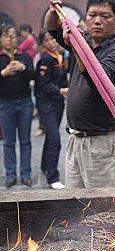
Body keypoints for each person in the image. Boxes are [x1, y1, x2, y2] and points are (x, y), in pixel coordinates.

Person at [45, 0, 115, 189]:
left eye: (105, 16)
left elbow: (98, 79)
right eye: (92, 15)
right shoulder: (84, 42)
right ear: (85, 18)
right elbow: (52, 29)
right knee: (74, 204)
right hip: (76, 139)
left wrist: (77, 46)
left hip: (101, 142)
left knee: (101, 209)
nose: (98, 21)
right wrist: (53, 12)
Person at [0, 23, 34, 188]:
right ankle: (11, 174)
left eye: (12, 36)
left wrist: (23, 68)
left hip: (25, 102)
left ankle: (26, 173)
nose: (9, 39)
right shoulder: (0, 58)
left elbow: (33, 76)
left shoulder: (24, 57)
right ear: (1, 39)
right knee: (8, 142)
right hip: (6, 103)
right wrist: (3, 73)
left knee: (25, 140)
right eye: (6, 36)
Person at [35, 29, 68, 189]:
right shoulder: (45, 60)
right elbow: (41, 84)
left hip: (58, 102)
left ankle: (44, 165)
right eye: (46, 40)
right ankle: (53, 177)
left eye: (52, 39)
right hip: (46, 102)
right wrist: (61, 91)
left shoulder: (60, 56)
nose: (51, 42)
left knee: (51, 135)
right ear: (42, 44)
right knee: (55, 139)